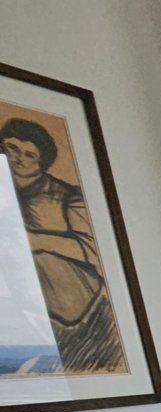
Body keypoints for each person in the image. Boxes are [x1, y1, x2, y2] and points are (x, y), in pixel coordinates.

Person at [2, 116, 121, 374]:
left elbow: (91, 249)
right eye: (12, 148)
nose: (19, 158)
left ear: (42, 161)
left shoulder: (68, 195)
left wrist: (32, 240)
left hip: (72, 306)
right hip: (16, 306)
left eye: (29, 154)